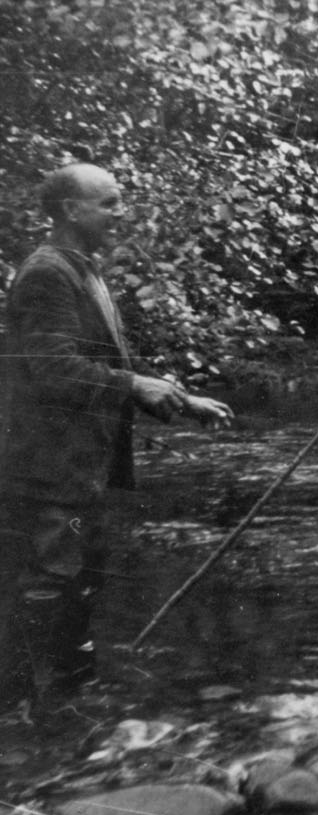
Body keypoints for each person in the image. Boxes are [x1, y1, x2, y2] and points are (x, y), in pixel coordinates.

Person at [0, 162, 234, 713]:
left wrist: (180, 399)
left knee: (77, 573)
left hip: (78, 466)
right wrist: (135, 386)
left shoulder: (84, 269)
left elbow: (107, 365)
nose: (121, 213)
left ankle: (69, 698)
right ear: (70, 210)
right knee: (50, 578)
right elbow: (53, 369)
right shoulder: (47, 274)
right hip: (49, 467)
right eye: (109, 203)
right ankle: (34, 706)